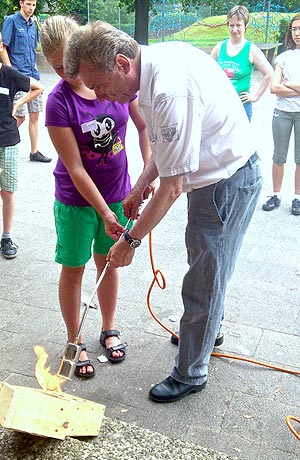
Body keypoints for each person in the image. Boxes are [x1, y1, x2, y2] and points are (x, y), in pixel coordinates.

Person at [63, 21, 262, 401]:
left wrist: (129, 241)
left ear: (122, 64)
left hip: (226, 181)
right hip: (212, 177)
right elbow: (166, 146)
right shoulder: (153, 65)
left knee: (205, 274)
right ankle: (208, 331)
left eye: (100, 85)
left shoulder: (170, 90)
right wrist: (140, 185)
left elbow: (171, 187)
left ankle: (191, 372)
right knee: (208, 263)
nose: (101, 97)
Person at [40, 16, 152, 378]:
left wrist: (148, 170)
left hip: (119, 192)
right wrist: (104, 212)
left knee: (109, 262)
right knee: (73, 268)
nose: (69, 72)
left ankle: (108, 327)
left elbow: (143, 125)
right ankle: (74, 339)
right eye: (59, 67)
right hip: (77, 202)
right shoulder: (58, 102)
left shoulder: (114, 82)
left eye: (72, 62)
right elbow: (75, 168)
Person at [0, 32, 43, 259]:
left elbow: (38, 87)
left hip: (7, 141)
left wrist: (19, 103)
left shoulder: (8, 74)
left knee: (7, 192)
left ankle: (6, 237)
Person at [1, 0, 52, 163]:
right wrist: (10, 73)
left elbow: (31, 49)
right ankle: (3, 143)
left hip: (32, 75)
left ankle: (34, 151)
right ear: (21, 3)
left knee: (35, 114)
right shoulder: (11, 21)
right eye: (28, 4)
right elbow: (3, 48)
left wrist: (35, 68)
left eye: (34, 5)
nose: (31, 8)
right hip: (17, 76)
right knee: (18, 116)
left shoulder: (33, 24)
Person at [262, 14, 300, 216]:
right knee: (279, 156)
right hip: (282, 112)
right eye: (294, 29)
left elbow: (282, 85)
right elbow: (274, 88)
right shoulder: (284, 57)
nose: (297, 33)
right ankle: (275, 194)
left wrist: (289, 85)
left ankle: (297, 197)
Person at [210, 5, 273, 121]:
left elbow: (269, 74)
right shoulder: (220, 47)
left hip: (242, 107)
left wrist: (256, 96)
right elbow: (207, 69)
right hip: (220, 105)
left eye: (238, 25)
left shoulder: (251, 50)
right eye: (231, 25)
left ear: (246, 25)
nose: (234, 29)